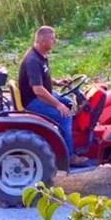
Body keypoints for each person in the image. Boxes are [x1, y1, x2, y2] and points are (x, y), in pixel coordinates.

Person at [18, 26, 88, 167]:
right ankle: (69, 156)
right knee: (65, 115)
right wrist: (57, 105)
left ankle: (68, 136)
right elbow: (38, 89)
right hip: (33, 101)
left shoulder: (40, 55)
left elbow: (41, 79)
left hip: (42, 94)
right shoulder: (33, 60)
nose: (54, 41)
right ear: (43, 41)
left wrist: (56, 82)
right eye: (52, 38)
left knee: (68, 103)